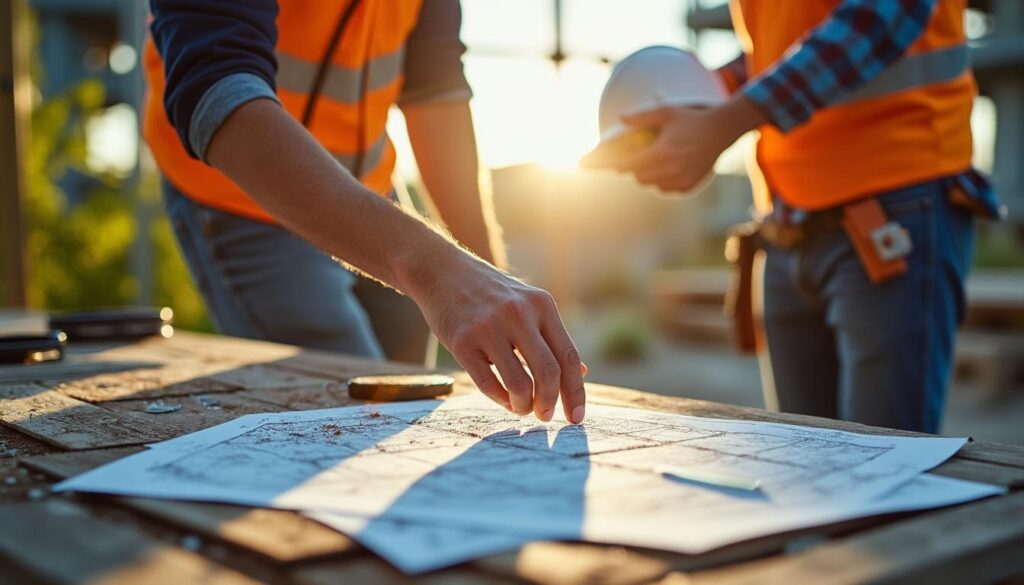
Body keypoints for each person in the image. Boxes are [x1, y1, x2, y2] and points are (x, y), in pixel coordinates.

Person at [145, 0, 587, 424]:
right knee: (352, 405)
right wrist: (434, 269)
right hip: (246, 190)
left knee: (411, 391)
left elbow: (436, 96)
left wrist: (488, 282)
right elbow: (216, 88)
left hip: (369, 184)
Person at [611, 0, 1004, 433]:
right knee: (805, 464)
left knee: (884, 469)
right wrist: (705, 102)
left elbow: (882, 16)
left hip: (895, 208)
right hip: (787, 222)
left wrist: (725, 122)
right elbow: (788, 43)